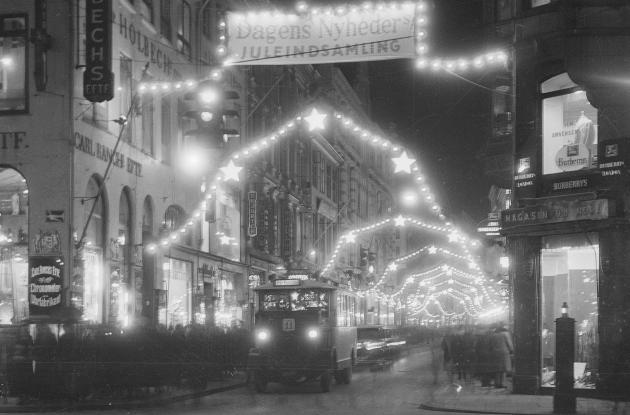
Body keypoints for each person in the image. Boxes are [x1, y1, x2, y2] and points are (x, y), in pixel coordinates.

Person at [489, 322, 514, 388]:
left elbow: (491, 344)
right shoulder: (505, 334)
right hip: (504, 353)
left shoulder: (493, 335)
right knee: (504, 369)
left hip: (495, 353)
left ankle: (497, 383)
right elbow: (509, 343)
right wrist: (512, 350)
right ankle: (502, 383)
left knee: (497, 369)